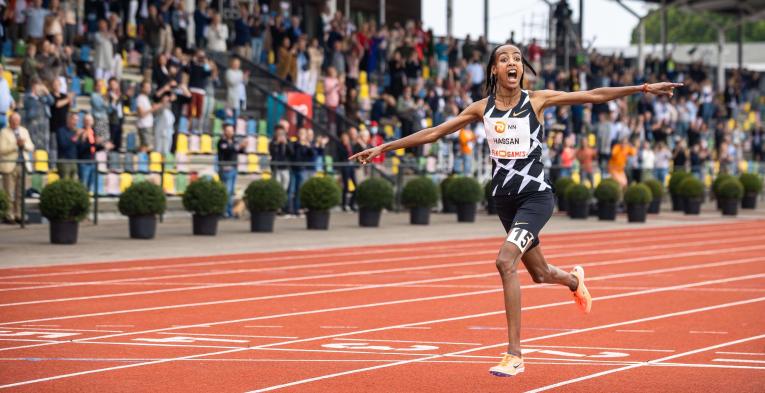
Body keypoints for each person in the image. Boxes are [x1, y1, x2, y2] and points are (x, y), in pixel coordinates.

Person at [350, 43, 681, 377]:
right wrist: (384, 147)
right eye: (504, 59)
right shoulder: (482, 108)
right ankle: (572, 279)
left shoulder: (536, 100)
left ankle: (515, 354)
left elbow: (593, 95)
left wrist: (643, 88)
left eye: (517, 59)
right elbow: (435, 132)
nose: (512, 63)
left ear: (522, 68)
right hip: (504, 201)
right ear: (494, 70)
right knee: (539, 273)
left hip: (536, 197)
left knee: (505, 261)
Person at [0, 113, 35, 224]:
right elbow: (2, 149)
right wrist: (15, 145)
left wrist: (23, 145)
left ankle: (19, 214)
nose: (15, 123)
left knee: (21, 193)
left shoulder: (24, 131)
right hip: (9, 166)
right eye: (13, 121)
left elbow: (31, 146)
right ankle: (9, 215)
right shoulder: (4, 132)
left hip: (22, 165)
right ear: (10, 121)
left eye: (17, 121)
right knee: (9, 192)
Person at [217, 123, 247, 218]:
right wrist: (239, 146)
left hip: (234, 168)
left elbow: (240, 151)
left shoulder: (234, 141)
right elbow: (229, 150)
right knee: (227, 191)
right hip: (225, 168)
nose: (230, 132)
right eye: (228, 130)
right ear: (224, 131)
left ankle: (229, 211)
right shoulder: (222, 142)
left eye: (231, 130)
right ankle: (224, 211)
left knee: (231, 191)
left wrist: (243, 146)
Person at [56, 112, 79, 179]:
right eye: (75, 120)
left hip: (74, 161)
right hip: (64, 161)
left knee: (74, 183)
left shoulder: (75, 131)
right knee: (65, 182)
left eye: (77, 120)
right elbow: (63, 144)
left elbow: (78, 147)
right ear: (69, 120)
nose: (76, 122)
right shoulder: (61, 131)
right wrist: (75, 138)